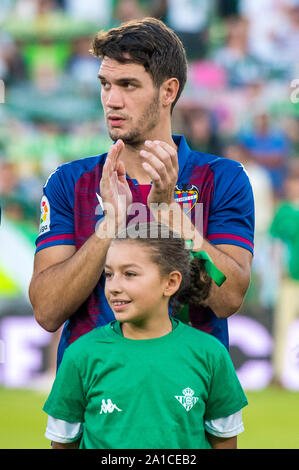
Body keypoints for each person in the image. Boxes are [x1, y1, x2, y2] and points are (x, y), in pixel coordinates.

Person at [29, 18, 254, 368]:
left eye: (128, 85)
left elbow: (230, 298)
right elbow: (46, 311)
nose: (112, 100)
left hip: (186, 401)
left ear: (168, 91)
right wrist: (109, 225)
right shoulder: (70, 182)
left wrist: (170, 215)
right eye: (105, 84)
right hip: (94, 403)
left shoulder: (220, 178)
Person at [43, 223, 248, 449]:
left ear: (171, 282)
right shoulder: (80, 356)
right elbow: (62, 444)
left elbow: (224, 442)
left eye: (129, 274)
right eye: (109, 274)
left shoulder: (211, 354)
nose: (113, 287)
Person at [270, 160, 299, 386]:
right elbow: (276, 244)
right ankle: (278, 373)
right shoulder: (284, 212)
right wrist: (277, 269)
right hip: (290, 279)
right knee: (283, 326)